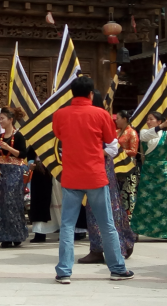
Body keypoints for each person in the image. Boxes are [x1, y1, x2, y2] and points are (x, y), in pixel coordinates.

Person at [52, 76, 133, 283]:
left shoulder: (60, 114)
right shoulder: (101, 114)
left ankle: (64, 271)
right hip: (95, 176)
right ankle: (117, 268)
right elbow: (111, 141)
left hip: (71, 176)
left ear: (72, 93)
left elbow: (59, 135)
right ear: (90, 94)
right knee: (107, 224)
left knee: (67, 225)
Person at [79, 91, 135, 263]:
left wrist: (91, 152)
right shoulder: (102, 118)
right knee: (109, 206)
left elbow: (111, 147)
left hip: (98, 166)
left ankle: (102, 249)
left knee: (98, 208)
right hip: (101, 166)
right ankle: (121, 244)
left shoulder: (97, 119)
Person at [129, 111, 167, 242]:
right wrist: (161, 126)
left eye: (151, 119)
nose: (148, 121)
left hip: (162, 170)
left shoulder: (166, 135)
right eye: (147, 119)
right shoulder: (144, 132)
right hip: (148, 169)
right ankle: (136, 230)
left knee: (166, 200)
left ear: (159, 121)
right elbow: (146, 136)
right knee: (144, 199)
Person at [0, 107, 28, 248]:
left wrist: (9, 148)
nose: (0, 121)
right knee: (1, 202)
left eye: (2, 118)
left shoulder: (18, 136)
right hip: (2, 171)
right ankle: (4, 236)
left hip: (14, 171)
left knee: (12, 202)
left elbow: (23, 154)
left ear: (10, 119)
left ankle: (16, 235)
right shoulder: (0, 137)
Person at [27, 148, 61, 243]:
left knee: (57, 201)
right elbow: (30, 155)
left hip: (54, 171)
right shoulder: (34, 141)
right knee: (39, 203)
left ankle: (64, 232)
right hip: (39, 173)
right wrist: (30, 164)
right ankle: (40, 233)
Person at [114, 110, 139, 217]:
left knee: (128, 192)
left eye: (118, 119)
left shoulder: (131, 132)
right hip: (117, 165)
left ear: (124, 119)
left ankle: (129, 218)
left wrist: (120, 151)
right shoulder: (116, 132)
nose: (116, 121)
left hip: (129, 165)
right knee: (118, 192)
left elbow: (134, 151)